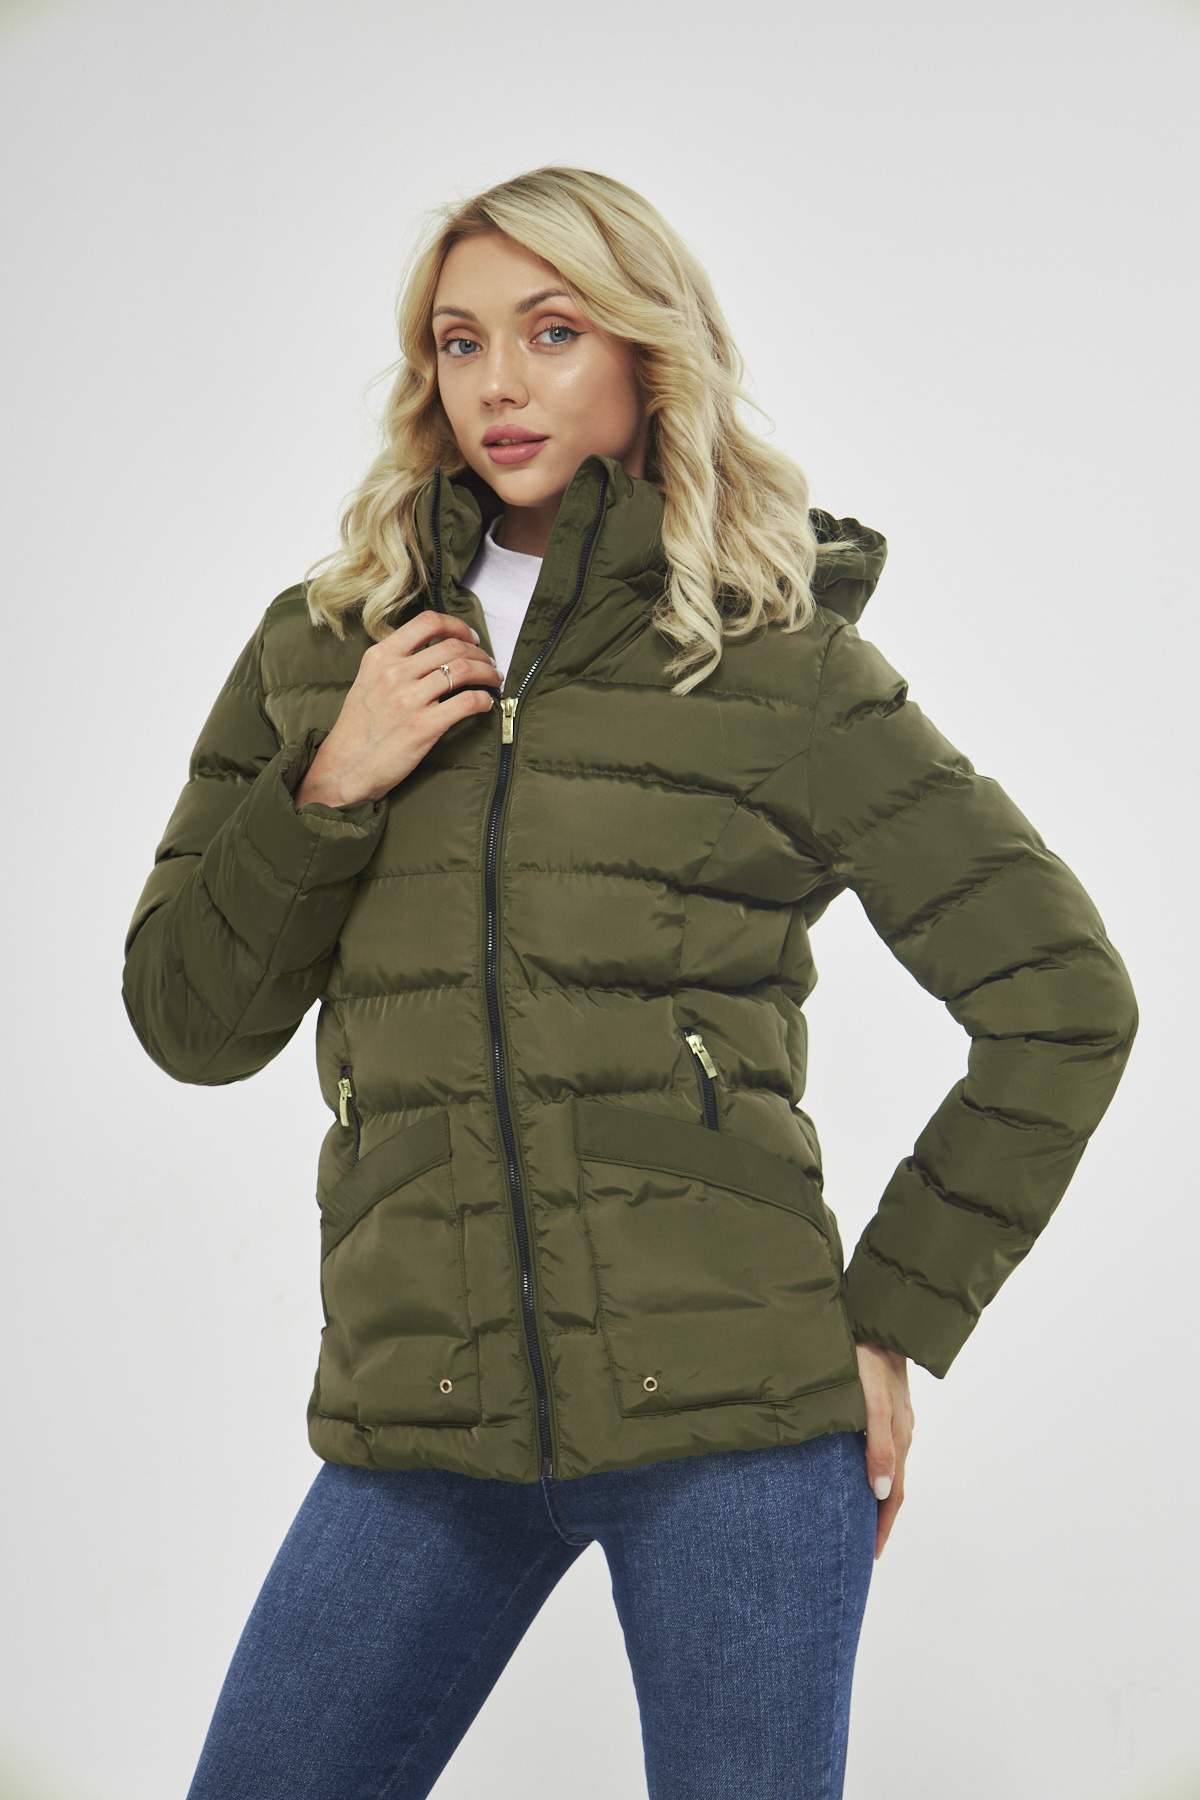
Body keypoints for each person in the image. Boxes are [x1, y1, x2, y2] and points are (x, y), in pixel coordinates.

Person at [122, 166, 1138, 1800]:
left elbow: (1064, 996)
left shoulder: (775, 657)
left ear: (648, 354)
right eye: (461, 341)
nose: (499, 383)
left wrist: (893, 1319)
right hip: (423, 1417)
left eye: (552, 331)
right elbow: (187, 1021)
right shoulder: (325, 649)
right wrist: (325, 787)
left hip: (739, 1434)